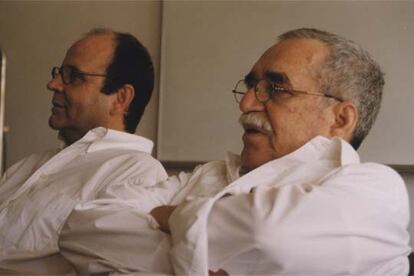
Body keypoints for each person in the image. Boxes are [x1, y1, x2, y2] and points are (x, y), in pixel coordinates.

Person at [59, 28, 411, 275]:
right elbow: (82, 227)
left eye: (276, 88)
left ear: (340, 118)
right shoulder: (208, 175)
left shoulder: (376, 190)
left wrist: (172, 216)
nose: (246, 102)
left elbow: (268, 234)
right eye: (250, 86)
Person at [0, 28, 168, 274]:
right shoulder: (29, 165)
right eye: (58, 73)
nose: (53, 84)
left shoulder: (138, 174)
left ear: (120, 98)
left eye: (74, 76)